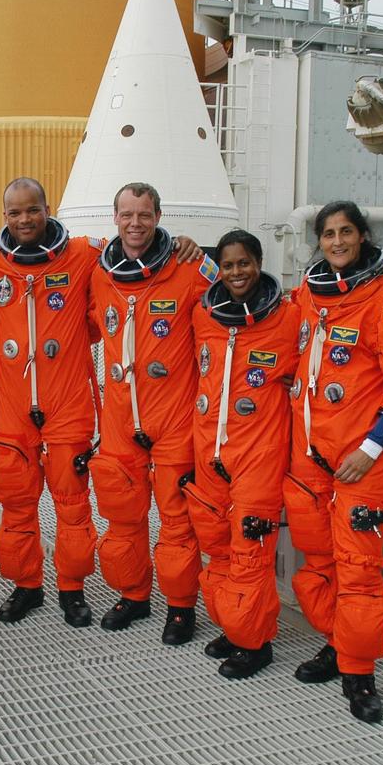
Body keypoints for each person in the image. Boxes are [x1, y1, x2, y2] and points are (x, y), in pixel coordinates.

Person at [284, 201, 383, 722]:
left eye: (346, 232)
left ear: (364, 235)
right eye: (328, 234)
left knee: (359, 571)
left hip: (360, 460)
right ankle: (337, 644)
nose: (337, 242)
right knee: (320, 562)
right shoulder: (310, 292)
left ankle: (361, 673)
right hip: (310, 456)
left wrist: (371, 447)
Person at [0, 178, 104, 626]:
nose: (24, 220)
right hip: (13, 407)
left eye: (32, 210)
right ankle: (27, 585)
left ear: (47, 209)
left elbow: (136, 250)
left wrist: (184, 246)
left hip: (68, 403)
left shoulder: (82, 255)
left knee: (72, 504)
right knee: (16, 503)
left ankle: (71, 588)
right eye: (14, 213)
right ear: (4, 217)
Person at [87, 182, 215, 644]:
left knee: (178, 521)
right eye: (127, 215)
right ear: (115, 217)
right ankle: (135, 594)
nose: (135, 224)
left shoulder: (188, 267)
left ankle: (181, 608)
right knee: (123, 517)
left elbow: (236, 300)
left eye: (144, 215)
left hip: (175, 418)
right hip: (121, 419)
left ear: (159, 216)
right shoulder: (99, 272)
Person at [187, 229, 300, 677]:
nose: (237, 272)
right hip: (210, 450)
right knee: (217, 546)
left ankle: (255, 644)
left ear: (259, 262)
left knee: (250, 549)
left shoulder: (289, 318)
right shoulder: (204, 315)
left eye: (244, 263)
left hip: (259, 453)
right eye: (229, 265)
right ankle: (233, 626)